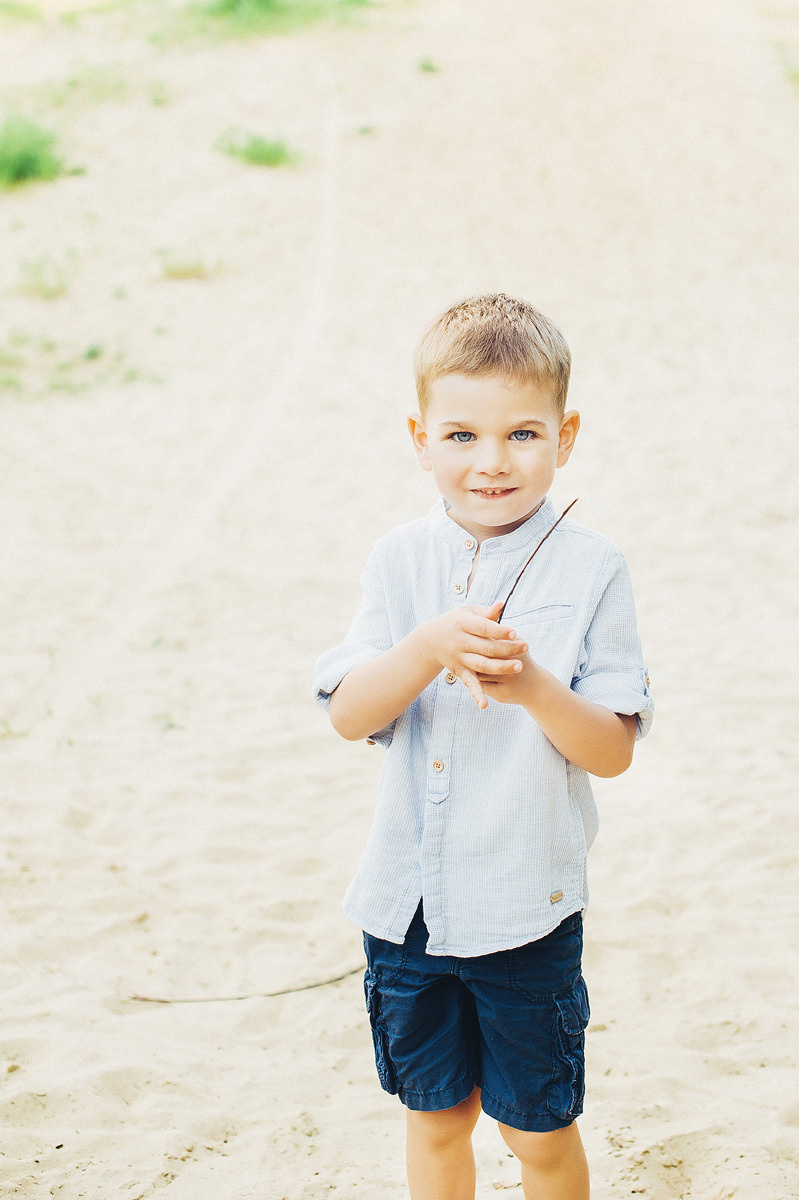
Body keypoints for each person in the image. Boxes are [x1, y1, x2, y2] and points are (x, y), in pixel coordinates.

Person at [312, 293, 653, 1200]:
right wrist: (424, 648)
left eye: (523, 434)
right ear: (418, 437)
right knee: (436, 1119)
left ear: (565, 435)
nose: (492, 463)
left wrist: (535, 688)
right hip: (406, 907)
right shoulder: (396, 560)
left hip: (523, 909)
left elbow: (611, 751)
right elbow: (350, 714)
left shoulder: (592, 568)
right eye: (460, 435)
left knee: (535, 1128)